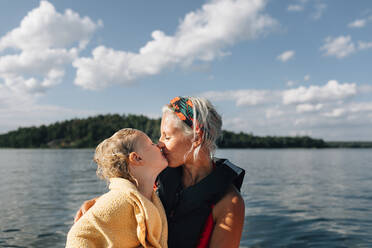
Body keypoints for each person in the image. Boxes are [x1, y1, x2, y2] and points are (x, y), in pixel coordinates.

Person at [75, 96, 245, 248]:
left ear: (196, 138)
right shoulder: (159, 175)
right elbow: (133, 198)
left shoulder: (230, 203)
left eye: (167, 136)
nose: (160, 144)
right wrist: (100, 203)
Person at [66, 128, 168, 248]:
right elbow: (77, 234)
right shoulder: (118, 202)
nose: (159, 145)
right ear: (137, 158)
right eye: (151, 144)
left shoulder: (149, 197)